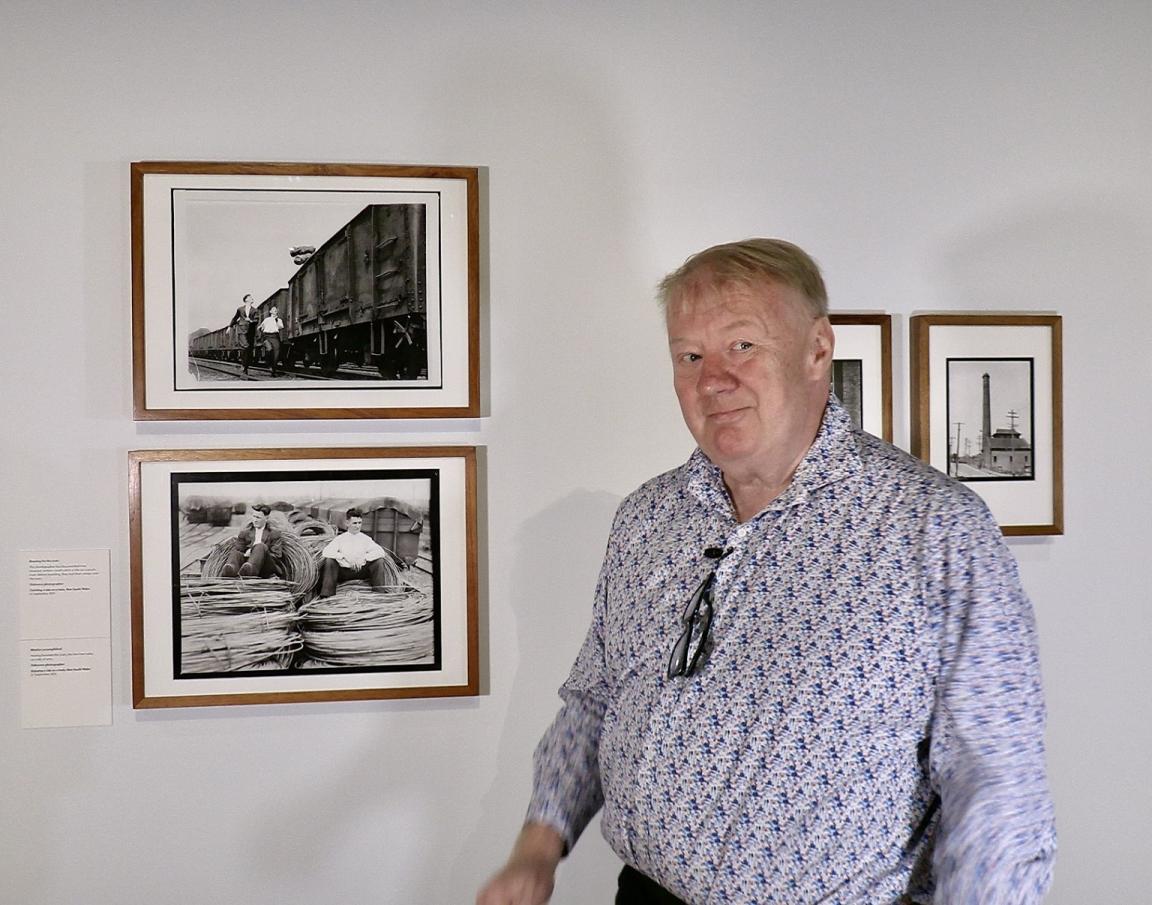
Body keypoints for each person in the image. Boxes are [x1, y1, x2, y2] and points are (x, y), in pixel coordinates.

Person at [477, 239, 1056, 904]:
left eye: (741, 346)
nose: (712, 379)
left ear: (817, 350)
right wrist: (537, 844)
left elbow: (996, 783)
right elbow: (594, 701)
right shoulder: (645, 520)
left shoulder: (936, 530)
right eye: (689, 355)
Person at [317, 508, 392, 597]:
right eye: (354, 523)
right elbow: (326, 552)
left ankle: (380, 594)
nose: (357, 526)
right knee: (329, 561)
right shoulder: (340, 539)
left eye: (359, 523)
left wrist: (363, 559)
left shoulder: (365, 539)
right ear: (347, 523)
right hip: (344, 572)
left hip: (361, 571)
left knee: (379, 561)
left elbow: (380, 552)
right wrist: (344, 557)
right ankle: (327, 595)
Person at [221, 504, 283, 578]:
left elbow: (277, 556)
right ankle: (231, 569)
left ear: (266, 518)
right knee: (236, 553)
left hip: (266, 566)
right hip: (246, 563)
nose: (255, 520)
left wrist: (257, 552)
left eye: (258, 517)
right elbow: (239, 550)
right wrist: (247, 553)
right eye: (254, 516)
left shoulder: (274, 533)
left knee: (260, 546)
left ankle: (250, 570)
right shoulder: (245, 533)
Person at [228, 293, 260, 374]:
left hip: (251, 331)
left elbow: (256, 320)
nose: (252, 298)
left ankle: (246, 366)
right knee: (245, 346)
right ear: (246, 300)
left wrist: (251, 321)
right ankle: (244, 366)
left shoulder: (255, 310)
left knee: (249, 349)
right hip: (241, 330)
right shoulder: (240, 309)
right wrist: (230, 326)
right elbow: (235, 318)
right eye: (250, 297)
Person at [259, 305, 285, 376]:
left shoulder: (279, 320)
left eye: (276, 309)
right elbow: (260, 327)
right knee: (269, 349)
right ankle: (268, 364)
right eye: (273, 309)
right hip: (267, 336)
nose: (275, 310)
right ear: (270, 311)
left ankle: (274, 370)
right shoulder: (267, 319)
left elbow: (281, 327)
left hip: (275, 336)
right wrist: (261, 331)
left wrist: (276, 320)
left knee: (276, 352)